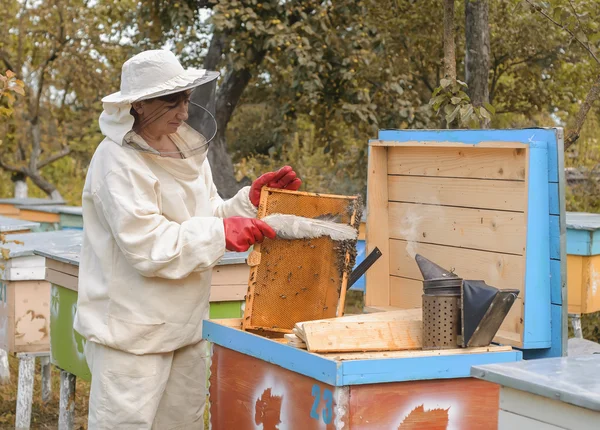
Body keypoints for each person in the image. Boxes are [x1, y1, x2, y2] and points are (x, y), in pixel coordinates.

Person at [73, 49, 301, 429]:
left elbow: (208, 215)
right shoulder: (115, 161)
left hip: (187, 326)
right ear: (140, 105)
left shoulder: (186, 148)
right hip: (132, 338)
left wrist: (247, 203)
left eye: (186, 100)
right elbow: (147, 245)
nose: (183, 111)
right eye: (171, 101)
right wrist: (220, 234)